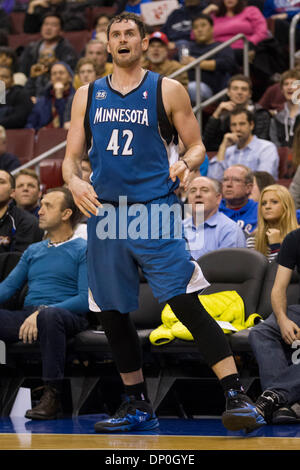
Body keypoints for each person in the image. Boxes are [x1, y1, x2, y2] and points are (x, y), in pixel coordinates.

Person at [62, 12, 265, 434]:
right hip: (106, 214)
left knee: (183, 300)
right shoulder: (87, 94)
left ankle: (235, 394)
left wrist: (186, 166)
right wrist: (73, 182)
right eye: (114, 34)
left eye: (129, 34)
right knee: (114, 313)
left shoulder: (166, 89)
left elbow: (196, 147)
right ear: (107, 43)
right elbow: (69, 158)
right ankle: (137, 404)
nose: (122, 40)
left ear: (140, 43)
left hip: (153, 210)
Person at [0, 186, 89, 420]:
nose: (40, 211)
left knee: (49, 317)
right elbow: (7, 288)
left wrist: (43, 313)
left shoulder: (83, 248)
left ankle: (52, 395)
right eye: (42, 205)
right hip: (29, 315)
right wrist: (36, 313)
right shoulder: (33, 250)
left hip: (65, 315)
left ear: (66, 214)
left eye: (48, 206)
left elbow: (83, 299)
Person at [249, 228, 300, 424]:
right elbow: (278, 288)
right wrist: (282, 319)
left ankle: (272, 398)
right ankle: (283, 406)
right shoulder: (295, 238)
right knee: (261, 332)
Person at [203, 74, 271, 151]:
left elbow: (261, 144)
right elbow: (207, 144)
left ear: (250, 94)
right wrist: (216, 115)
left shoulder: (260, 114)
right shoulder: (223, 116)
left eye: (244, 89)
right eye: (235, 89)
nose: (239, 92)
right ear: (228, 92)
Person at [179, 13, 237, 103]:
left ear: (212, 28)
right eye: (195, 27)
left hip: (209, 90)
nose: (199, 30)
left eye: (203, 25)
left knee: (191, 88)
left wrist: (196, 63)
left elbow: (227, 63)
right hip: (184, 84)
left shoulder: (222, 47)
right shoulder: (187, 47)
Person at [184, 176, 246, 260]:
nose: (197, 194)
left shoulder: (230, 230)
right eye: (193, 191)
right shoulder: (178, 227)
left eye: (204, 190)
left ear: (218, 198)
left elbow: (227, 270)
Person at [208, 108, 279, 180]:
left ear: (251, 125)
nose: (238, 129)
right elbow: (214, 180)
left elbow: (262, 180)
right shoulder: (227, 152)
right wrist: (223, 147)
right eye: (234, 125)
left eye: (242, 124)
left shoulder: (266, 148)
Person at [246, 184, 299, 262]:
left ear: (286, 206)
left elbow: (286, 272)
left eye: (274, 202)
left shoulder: (297, 236)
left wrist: (276, 246)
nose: (267, 206)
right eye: (263, 203)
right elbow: (252, 272)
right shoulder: (254, 239)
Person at [211, 0, 268, 65]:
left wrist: (250, 44)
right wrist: (205, 12)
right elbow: (197, 35)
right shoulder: (214, 15)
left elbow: (261, 31)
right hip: (218, 50)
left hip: (244, 49)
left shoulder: (251, 10)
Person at [0, 170, 43, 253]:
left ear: (39, 193)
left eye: (31, 186)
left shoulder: (45, 219)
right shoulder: (7, 216)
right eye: (20, 186)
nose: (25, 189)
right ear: (14, 192)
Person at [25, 61, 75, 131]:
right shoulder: (42, 101)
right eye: (54, 74)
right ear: (51, 78)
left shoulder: (76, 98)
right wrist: (39, 132)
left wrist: (59, 97)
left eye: (61, 73)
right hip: (43, 138)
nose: (58, 76)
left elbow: (65, 122)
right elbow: (30, 125)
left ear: (70, 77)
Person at [219, 164, 258, 234]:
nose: (229, 184)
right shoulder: (211, 210)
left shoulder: (259, 211)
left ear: (248, 188)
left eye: (236, 180)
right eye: (225, 180)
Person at [269, 69, 300, 148]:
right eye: (286, 84)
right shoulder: (276, 119)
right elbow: (275, 145)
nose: (289, 87)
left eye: (293, 84)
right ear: (282, 90)